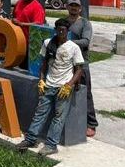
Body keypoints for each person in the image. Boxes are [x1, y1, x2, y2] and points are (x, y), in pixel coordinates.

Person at [17, 18, 84, 156]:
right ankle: (30, 139)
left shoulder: (74, 47)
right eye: (58, 29)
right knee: (39, 113)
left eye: (63, 30)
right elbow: (44, 64)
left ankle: (51, 144)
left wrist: (69, 85)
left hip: (63, 88)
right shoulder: (48, 43)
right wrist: (41, 80)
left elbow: (79, 70)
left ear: (67, 31)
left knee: (58, 118)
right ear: (55, 29)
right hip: (48, 84)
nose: (60, 32)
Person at [64, 0, 97, 137]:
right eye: (71, 5)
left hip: (81, 63)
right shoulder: (64, 22)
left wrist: (67, 41)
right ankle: (72, 120)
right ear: (67, 7)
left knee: (85, 92)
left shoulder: (85, 23)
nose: (73, 8)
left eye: (76, 6)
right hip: (66, 64)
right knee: (67, 91)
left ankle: (91, 124)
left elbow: (85, 41)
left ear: (80, 8)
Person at [12, 0, 46, 69]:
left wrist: (21, 24)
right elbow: (14, 16)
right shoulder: (19, 2)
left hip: (30, 42)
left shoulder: (37, 7)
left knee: (26, 67)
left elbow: (39, 24)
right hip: (17, 40)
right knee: (17, 65)